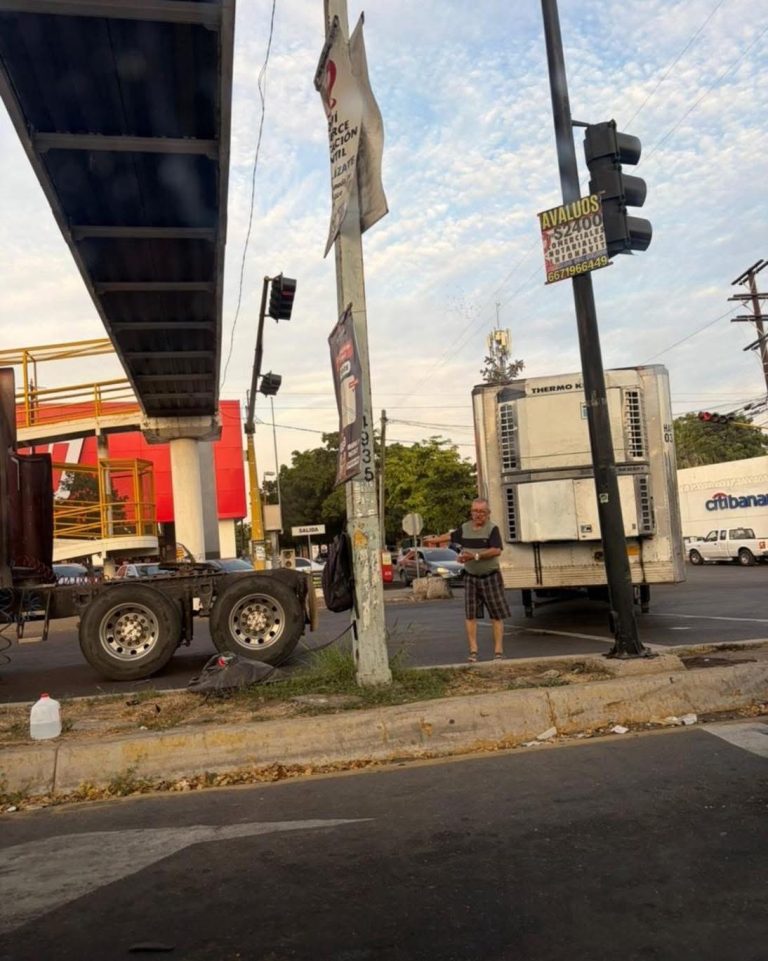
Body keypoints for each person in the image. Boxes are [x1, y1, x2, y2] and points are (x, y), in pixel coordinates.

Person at [452, 498, 511, 662]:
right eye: (475, 511)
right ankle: (473, 651)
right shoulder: (464, 528)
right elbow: (451, 537)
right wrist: (431, 541)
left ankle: (498, 652)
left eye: (481, 512)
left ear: (488, 513)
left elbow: (496, 550)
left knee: (496, 615)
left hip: (490, 577)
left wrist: (475, 556)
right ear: (471, 512)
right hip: (471, 577)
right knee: (470, 615)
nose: (478, 515)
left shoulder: (492, 529)